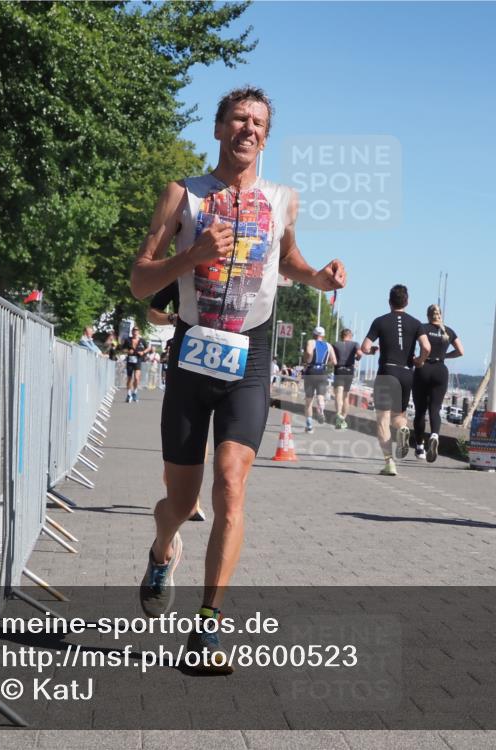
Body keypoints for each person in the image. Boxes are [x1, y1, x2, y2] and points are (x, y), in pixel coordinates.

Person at [130, 86, 345, 671]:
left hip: (250, 358)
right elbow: (140, 281)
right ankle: (161, 547)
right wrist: (190, 257)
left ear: (267, 137)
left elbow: (289, 262)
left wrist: (320, 278)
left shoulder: (284, 201)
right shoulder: (184, 195)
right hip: (192, 354)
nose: (248, 129)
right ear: (219, 128)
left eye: (259, 123)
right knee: (179, 500)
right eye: (238, 120)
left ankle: (207, 628)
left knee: (231, 485)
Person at [147, 281, 207, 522]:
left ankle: (189, 495)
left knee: (202, 441)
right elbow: (152, 312)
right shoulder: (182, 275)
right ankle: (186, 494)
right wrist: (173, 318)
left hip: (223, 361)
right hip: (186, 356)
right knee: (186, 434)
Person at [361, 285, 430, 476]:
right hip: (407, 373)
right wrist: (420, 361)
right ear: (407, 301)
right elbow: (426, 346)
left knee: (383, 420)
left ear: (389, 301)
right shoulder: (416, 323)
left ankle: (389, 463)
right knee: (398, 416)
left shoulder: (380, 321)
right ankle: (403, 430)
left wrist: (374, 349)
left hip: (386, 372)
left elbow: (365, 347)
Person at [413, 304, 463, 462]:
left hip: (423, 368)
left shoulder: (422, 328)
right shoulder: (448, 331)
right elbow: (461, 351)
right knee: (435, 408)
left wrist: (414, 359)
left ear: (428, 315)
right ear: (440, 315)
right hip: (440, 370)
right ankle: (434, 435)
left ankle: (420, 447)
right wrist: (444, 357)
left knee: (420, 410)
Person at [302, 325, 335, 432]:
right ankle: (321, 410)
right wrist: (325, 363)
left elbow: (309, 352)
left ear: (314, 334)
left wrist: (307, 361)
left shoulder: (311, 342)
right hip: (322, 372)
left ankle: (309, 426)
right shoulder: (329, 346)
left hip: (311, 371)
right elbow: (334, 361)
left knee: (309, 401)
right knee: (320, 397)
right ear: (323, 336)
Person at [331, 328, 362, 430]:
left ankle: (338, 415)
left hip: (339, 369)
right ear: (350, 335)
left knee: (338, 394)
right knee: (346, 396)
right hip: (349, 371)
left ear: (341, 335)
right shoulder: (354, 344)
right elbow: (360, 353)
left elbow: (331, 357)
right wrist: (357, 358)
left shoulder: (336, 344)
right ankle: (343, 418)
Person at [121, 327, 151, 402]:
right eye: (134, 330)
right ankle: (128, 394)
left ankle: (135, 392)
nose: (135, 332)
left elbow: (148, 348)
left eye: (136, 330)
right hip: (130, 361)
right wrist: (128, 351)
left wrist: (143, 352)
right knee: (129, 378)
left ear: (138, 332)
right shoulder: (128, 340)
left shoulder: (142, 340)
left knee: (137, 378)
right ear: (132, 332)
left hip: (138, 360)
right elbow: (123, 349)